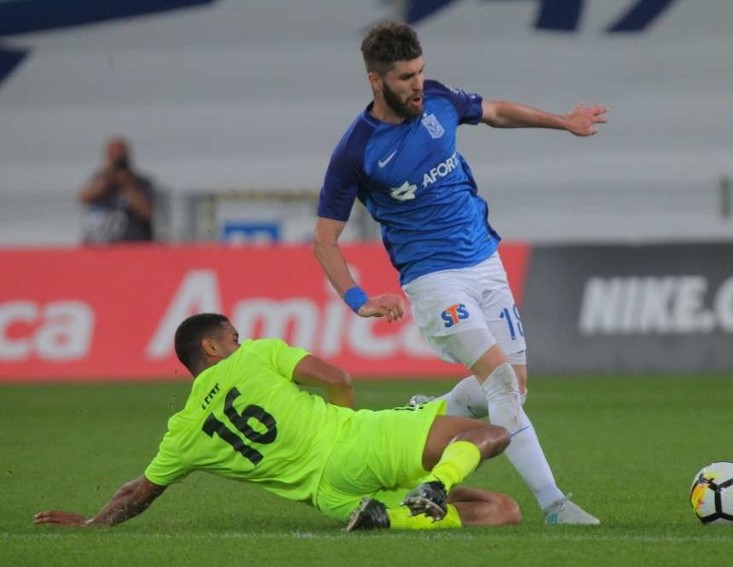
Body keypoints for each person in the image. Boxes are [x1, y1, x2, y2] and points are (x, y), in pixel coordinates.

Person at [313, 21, 608, 525]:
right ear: (375, 80)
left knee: (516, 384)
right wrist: (358, 299)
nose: (417, 85)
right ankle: (555, 505)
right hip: (433, 279)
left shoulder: (441, 102)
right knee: (500, 383)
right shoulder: (356, 151)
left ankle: (431, 410)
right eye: (405, 77)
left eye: (421, 72)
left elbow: (494, 111)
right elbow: (325, 238)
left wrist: (563, 122)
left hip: (485, 262)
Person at [33, 313, 522, 531]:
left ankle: (391, 516)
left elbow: (137, 493)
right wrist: (348, 428)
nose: (240, 344)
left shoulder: (182, 433)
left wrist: (95, 523)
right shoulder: (259, 356)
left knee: (503, 509)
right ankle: (430, 490)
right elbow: (339, 377)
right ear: (212, 347)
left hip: (335, 497)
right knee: (491, 433)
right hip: (358, 444)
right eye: (233, 338)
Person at [79, 136, 156, 244]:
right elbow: (84, 197)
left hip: (131, 245)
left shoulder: (140, 183)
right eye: (112, 154)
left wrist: (126, 186)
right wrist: (106, 181)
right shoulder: (100, 179)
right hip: (99, 244)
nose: (116, 157)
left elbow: (148, 213)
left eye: (119, 154)